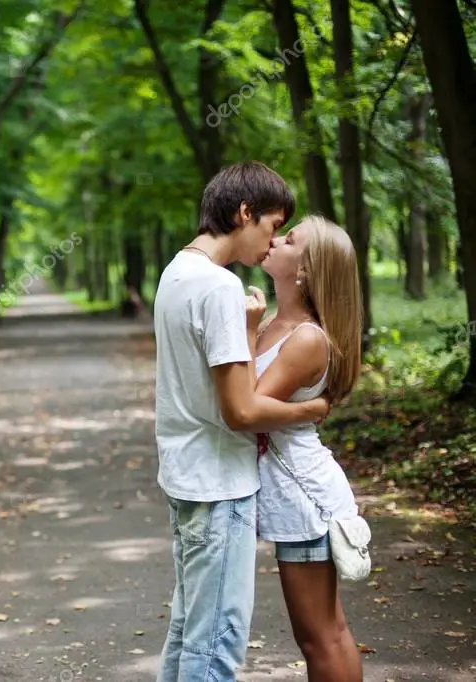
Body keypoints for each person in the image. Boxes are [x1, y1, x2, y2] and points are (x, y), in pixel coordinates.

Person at [153, 162, 331, 682]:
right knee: (215, 646)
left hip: (183, 475)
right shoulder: (221, 287)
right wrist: (307, 410)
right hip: (219, 485)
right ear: (245, 213)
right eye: (273, 226)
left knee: (188, 631)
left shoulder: (176, 272)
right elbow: (242, 411)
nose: (272, 242)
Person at [252, 215, 364, 681]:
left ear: (305, 270)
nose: (274, 239)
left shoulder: (305, 338)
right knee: (324, 632)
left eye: (289, 238)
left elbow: (244, 406)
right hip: (293, 491)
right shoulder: (278, 325)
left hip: (304, 501)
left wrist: (244, 327)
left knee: (321, 636)